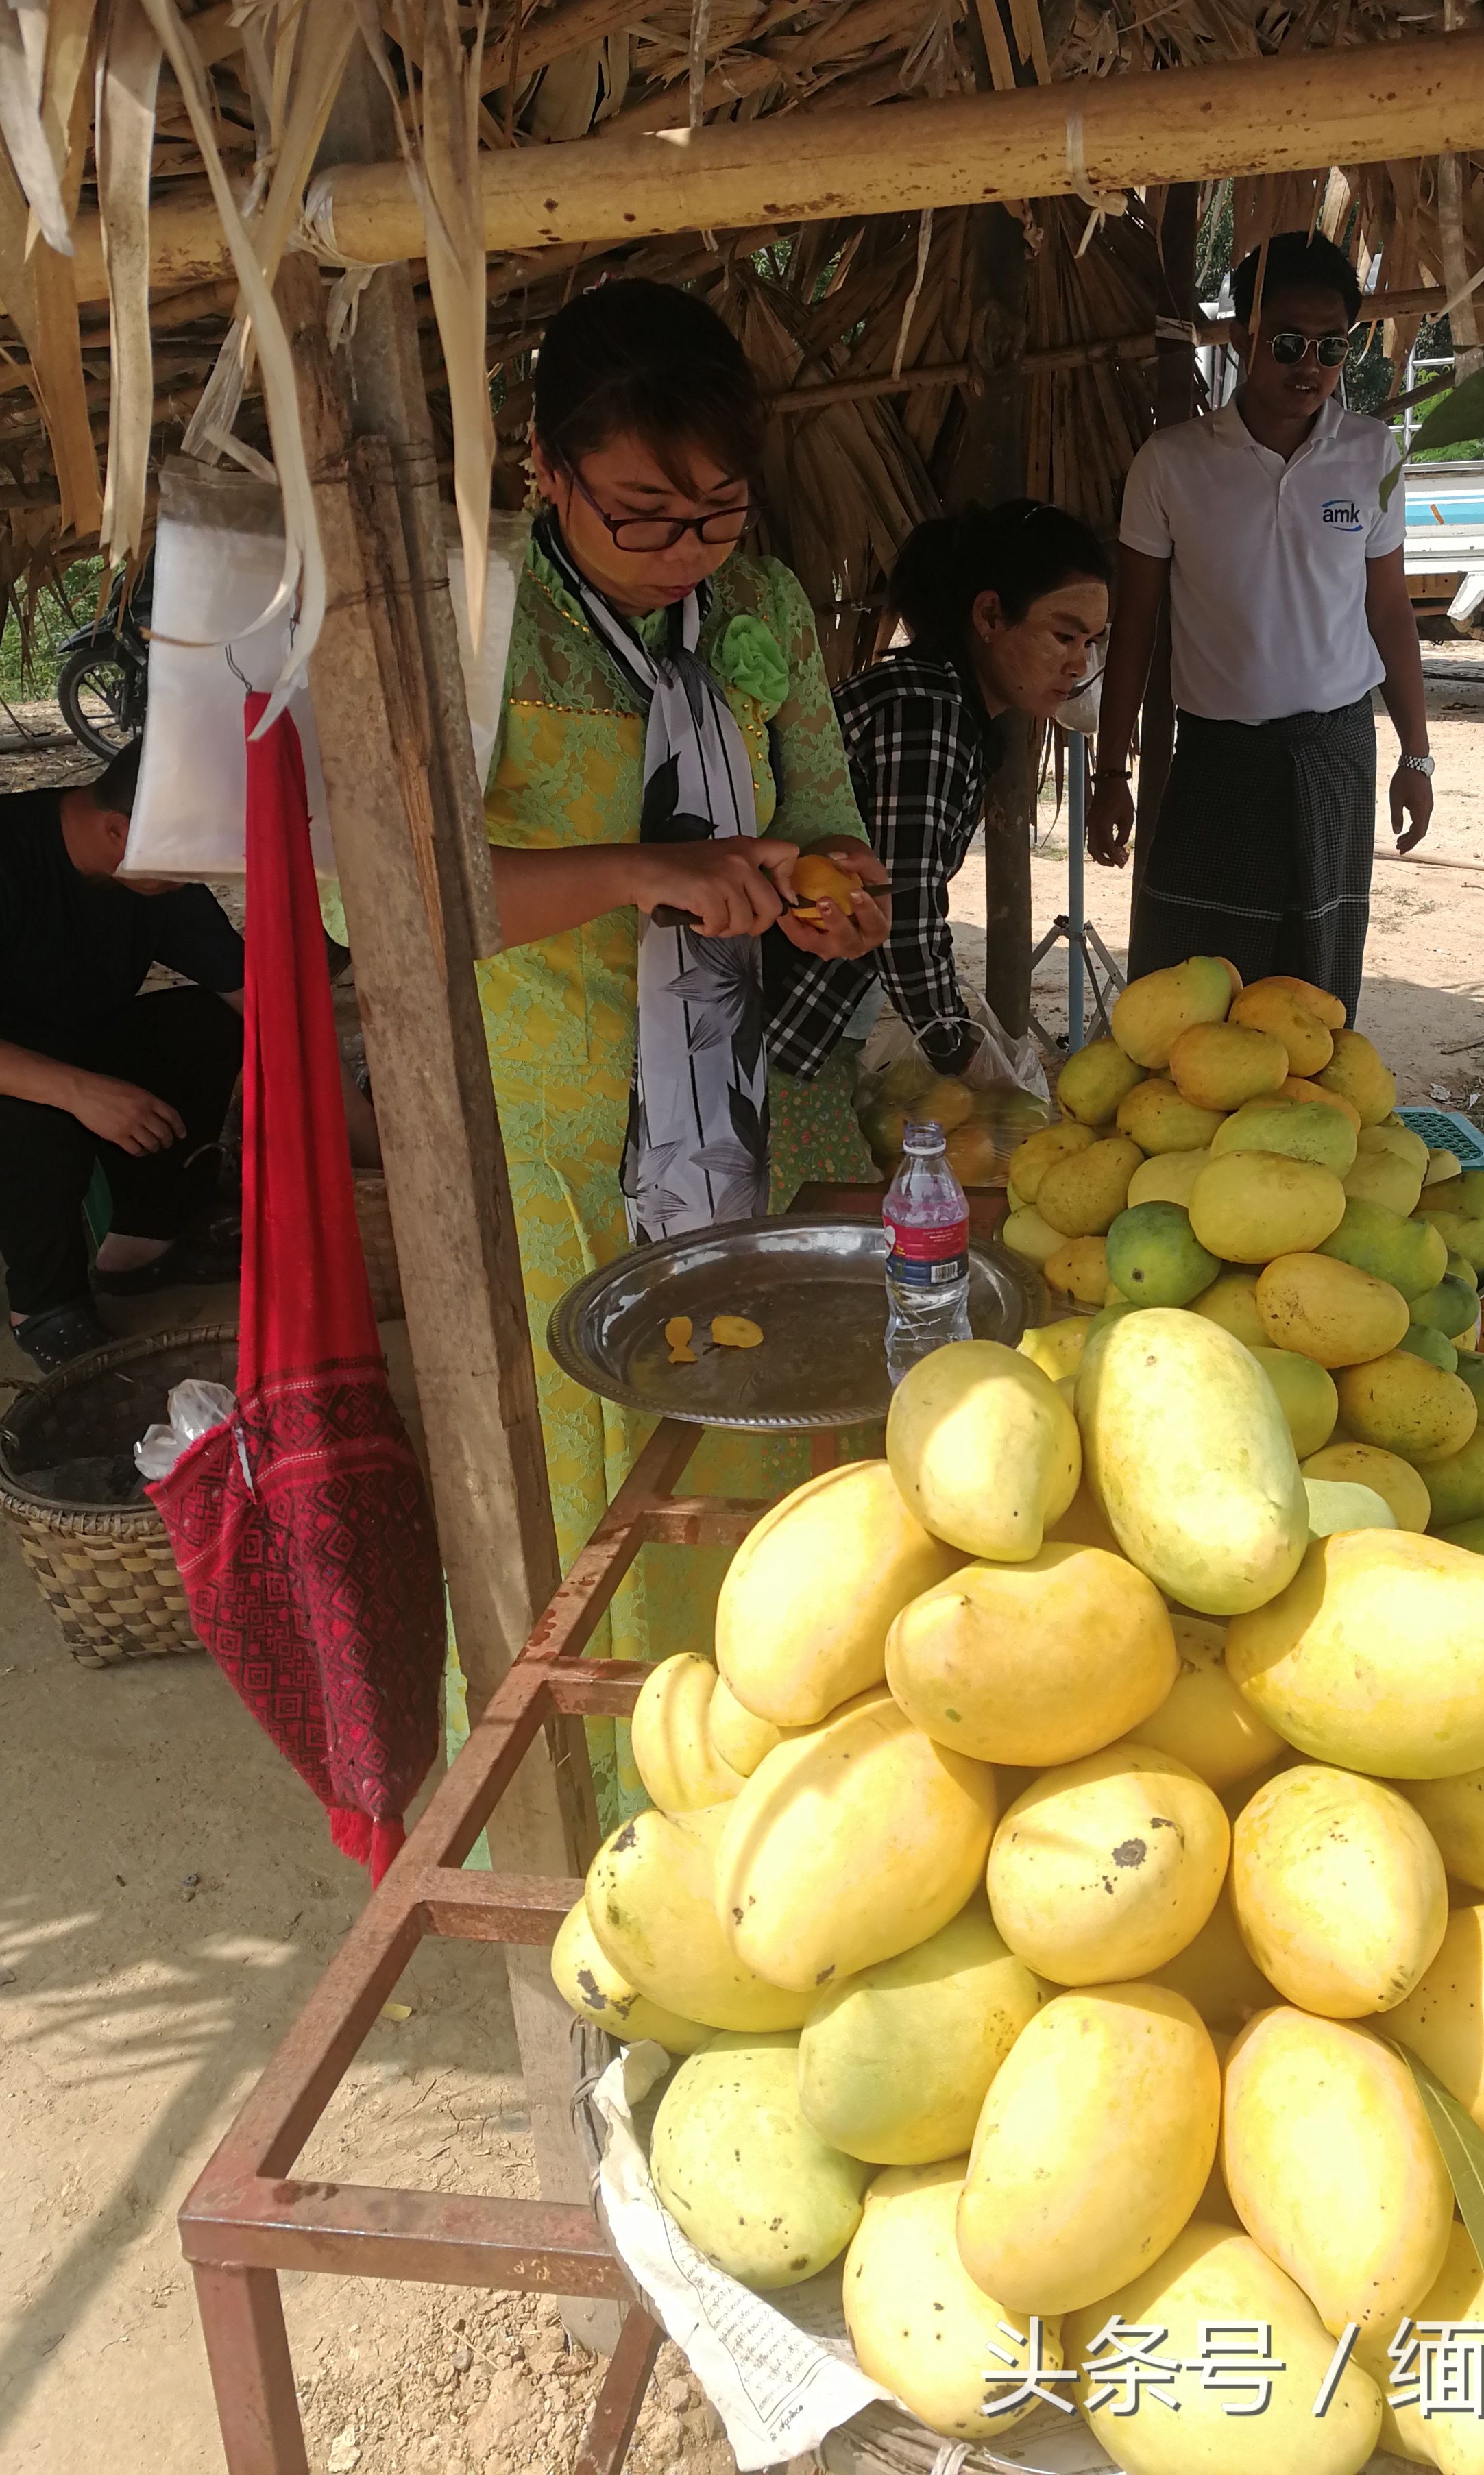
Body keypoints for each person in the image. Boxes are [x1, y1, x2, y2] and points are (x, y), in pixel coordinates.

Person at [477, 276, 890, 1818]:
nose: (682, 553)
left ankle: (761, 1777)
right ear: (545, 463)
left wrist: (827, 899)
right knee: (578, 1466)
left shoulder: (766, 610)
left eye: (714, 513)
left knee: (744, 1435)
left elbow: (823, 812)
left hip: (747, 1096)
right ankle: (593, 1793)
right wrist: (639, 872)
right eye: (639, 514)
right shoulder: (487, 623)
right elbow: (373, 892)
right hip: (555, 1121)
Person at [1091, 228, 1432, 1018]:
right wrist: (1112, 775)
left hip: (1335, 750)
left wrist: (1418, 754)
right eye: (1286, 342)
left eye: (1329, 346)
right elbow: (1136, 626)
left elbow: (1389, 613)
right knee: (1193, 984)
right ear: (1244, 335)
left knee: (1314, 985)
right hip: (1217, 758)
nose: (1307, 364)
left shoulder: (1373, 455)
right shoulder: (1172, 462)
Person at [767, 499, 1111, 1089]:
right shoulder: (927, 713)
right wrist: (961, 1056)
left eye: (1092, 642)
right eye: (1063, 635)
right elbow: (907, 912)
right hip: (766, 1022)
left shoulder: (937, 700)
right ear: (989, 616)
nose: (1079, 664)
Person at [0, 738, 245, 1369]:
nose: (197, 875)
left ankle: (142, 1246)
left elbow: (259, 1002)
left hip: (52, 1052)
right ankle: (46, 1311)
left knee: (204, 1024)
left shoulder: (153, 873)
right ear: (117, 830)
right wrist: (78, 1090)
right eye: (189, 858)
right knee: (41, 1117)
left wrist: (370, 1138)